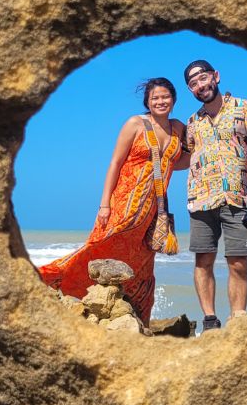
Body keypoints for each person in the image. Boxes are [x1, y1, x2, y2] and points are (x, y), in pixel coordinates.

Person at [39, 78, 185, 323]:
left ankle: (133, 318)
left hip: (152, 211)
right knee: (98, 247)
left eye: (165, 97)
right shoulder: (135, 124)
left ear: (174, 99)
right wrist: (104, 204)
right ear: (147, 102)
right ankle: (44, 283)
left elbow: (175, 162)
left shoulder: (178, 128)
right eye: (155, 98)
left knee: (142, 263)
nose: (160, 101)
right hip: (124, 203)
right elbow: (115, 163)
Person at [182, 59, 247, 331]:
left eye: (203, 78)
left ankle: (238, 319)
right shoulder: (192, 122)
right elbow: (187, 158)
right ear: (191, 90)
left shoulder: (246, 109)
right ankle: (210, 319)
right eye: (193, 83)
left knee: (238, 262)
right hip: (200, 200)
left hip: (237, 199)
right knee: (203, 261)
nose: (200, 85)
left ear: (216, 76)